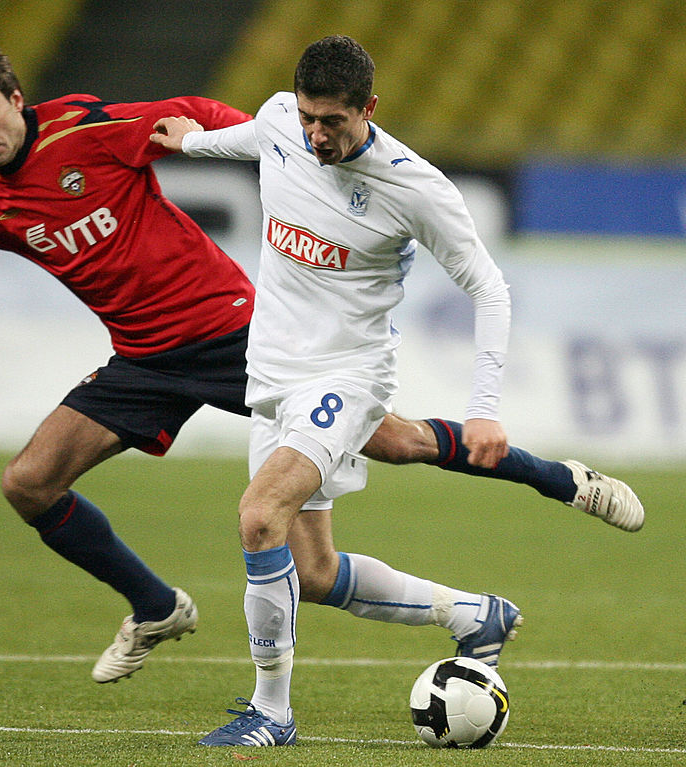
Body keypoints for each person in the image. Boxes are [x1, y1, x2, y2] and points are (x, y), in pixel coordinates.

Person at [0, 39, 642, 696]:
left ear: (16, 97)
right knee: (27, 482)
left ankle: (554, 476)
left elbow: (187, 116)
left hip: (236, 333)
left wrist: (287, 154)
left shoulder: (89, 132)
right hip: (142, 360)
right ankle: (155, 605)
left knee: (390, 442)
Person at [150, 34, 643, 747]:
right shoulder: (284, 119)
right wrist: (195, 143)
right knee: (313, 571)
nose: (317, 135)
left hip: (348, 374)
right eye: (310, 119)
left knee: (261, 516)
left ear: (368, 110)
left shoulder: (416, 187)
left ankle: (272, 714)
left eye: (335, 123)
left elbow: (490, 289)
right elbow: (256, 138)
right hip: (273, 373)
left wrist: (485, 406)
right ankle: (477, 609)